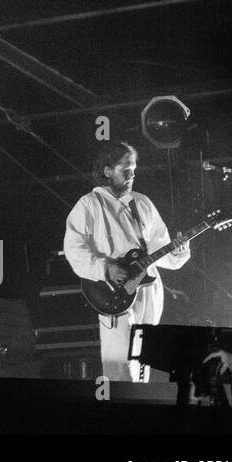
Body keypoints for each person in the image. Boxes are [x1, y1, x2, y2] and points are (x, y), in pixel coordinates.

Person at [63, 141, 189, 382]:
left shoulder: (142, 203)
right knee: (120, 362)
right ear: (107, 170)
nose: (132, 176)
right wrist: (105, 268)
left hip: (148, 288)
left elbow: (163, 253)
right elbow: (73, 249)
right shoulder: (88, 205)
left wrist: (179, 250)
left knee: (145, 360)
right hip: (113, 291)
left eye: (134, 170)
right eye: (126, 170)